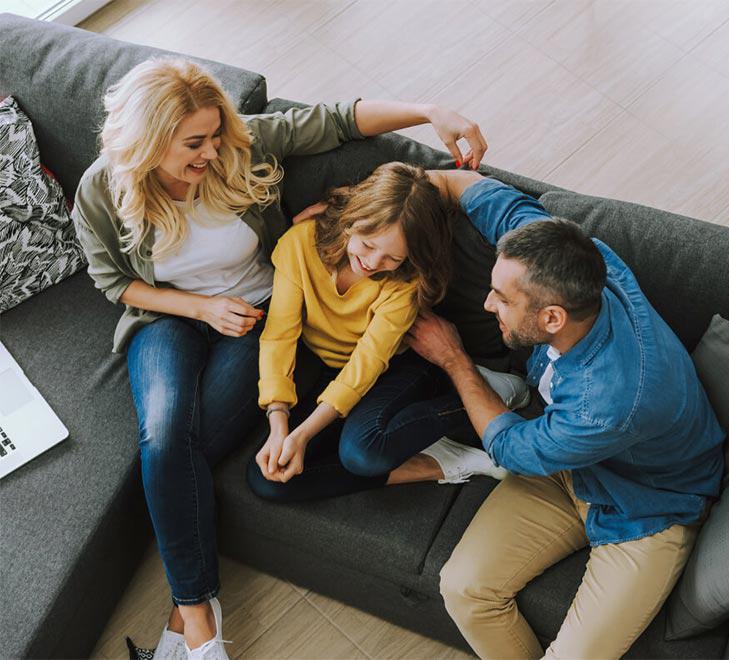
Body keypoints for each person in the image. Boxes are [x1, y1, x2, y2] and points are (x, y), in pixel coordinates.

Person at [71, 56, 490, 660]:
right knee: (165, 439)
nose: (212, 152)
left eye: (215, 136)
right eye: (195, 143)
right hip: (168, 318)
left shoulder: (239, 145)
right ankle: (199, 621)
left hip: (255, 317)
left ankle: (187, 626)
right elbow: (114, 282)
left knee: (194, 449)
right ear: (149, 140)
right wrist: (198, 308)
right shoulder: (101, 189)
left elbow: (337, 121)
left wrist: (430, 111)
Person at [403, 169, 725, 659]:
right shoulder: (579, 262)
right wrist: (400, 192)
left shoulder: (608, 402)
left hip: (647, 506)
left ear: (552, 317)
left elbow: (510, 448)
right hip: (571, 465)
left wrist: (453, 360)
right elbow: (482, 195)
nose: (489, 304)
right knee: (465, 589)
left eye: (503, 300)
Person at [247, 162, 512, 502]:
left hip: (393, 368)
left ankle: (484, 393)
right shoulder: (299, 245)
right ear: (352, 219)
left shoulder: (405, 283)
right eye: (368, 245)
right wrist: (279, 424)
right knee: (266, 479)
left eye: (392, 258)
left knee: (363, 453)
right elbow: (278, 336)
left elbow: (366, 365)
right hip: (329, 370)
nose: (372, 263)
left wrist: (303, 435)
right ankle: (439, 462)